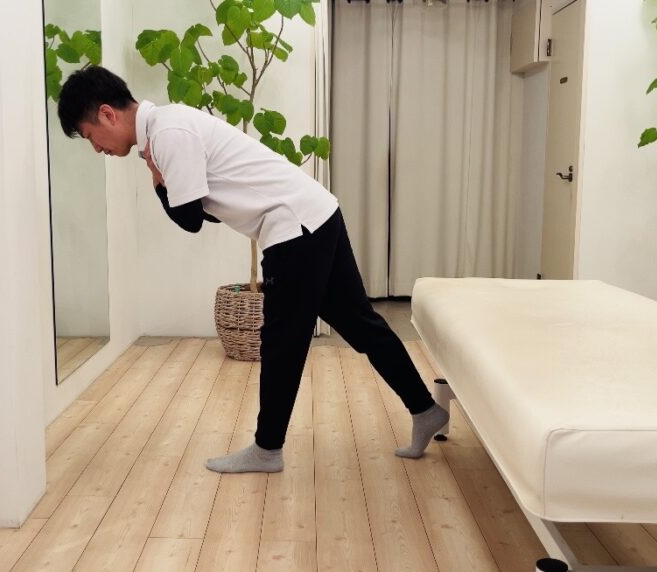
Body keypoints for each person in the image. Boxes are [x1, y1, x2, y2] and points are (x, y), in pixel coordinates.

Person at [57, 66, 449, 474]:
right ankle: (425, 410)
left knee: (282, 340)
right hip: (316, 214)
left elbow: (190, 219)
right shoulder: (169, 126)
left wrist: (158, 183)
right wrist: (165, 182)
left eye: (89, 136)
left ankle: (267, 450)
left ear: (107, 114)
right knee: (360, 323)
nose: (97, 148)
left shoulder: (168, 135)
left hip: (294, 227)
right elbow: (208, 209)